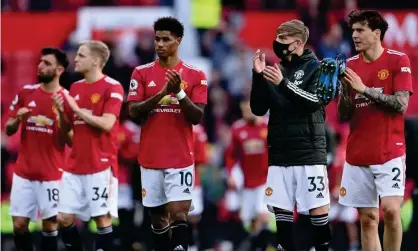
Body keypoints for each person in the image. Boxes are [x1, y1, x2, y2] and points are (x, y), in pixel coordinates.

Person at [127, 17, 208, 251]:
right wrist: (162, 93)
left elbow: (197, 117)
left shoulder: (195, 75)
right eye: (157, 39)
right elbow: (133, 111)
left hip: (181, 157)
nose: (159, 44)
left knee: (178, 212)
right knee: (158, 217)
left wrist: (180, 95)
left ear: (178, 41)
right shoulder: (140, 73)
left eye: (166, 39)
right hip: (150, 157)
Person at [250, 19, 331, 251]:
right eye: (276, 37)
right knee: (281, 211)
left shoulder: (318, 67)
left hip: (308, 154)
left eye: (282, 39)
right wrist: (257, 76)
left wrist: (283, 84)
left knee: (317, 209)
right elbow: (258, 109)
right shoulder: (277, 70)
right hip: (280, 153)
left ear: (297, 42)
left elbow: (314, 103)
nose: (277, 43)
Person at [338, 10, 413, 251]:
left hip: (389, 151)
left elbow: (401, 105)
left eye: (360, 30)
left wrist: (364, 89)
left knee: (391, 211)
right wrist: (343, 91)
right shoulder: (349, 66)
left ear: (376, 33)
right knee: (368, 220)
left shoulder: (398, 60)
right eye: (353, 31)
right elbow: (344, 113)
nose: (354, 35)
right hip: (358, 153)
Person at [52, 40, 124, 251]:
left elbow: (107, 123)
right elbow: (70, 136)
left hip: (100, 164)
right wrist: (62, 116)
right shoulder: (75, 87)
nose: (75, 59)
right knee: (63, 218)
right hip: (74, 164)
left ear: (95, 61)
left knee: (101, 218)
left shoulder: (112, 87)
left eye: (81, 55)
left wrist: (75, 108)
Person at [5, 47, 69, 251]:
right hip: (23, 173)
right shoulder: (26, 92)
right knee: (19, 224)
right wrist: (17, 120)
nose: (40, 66)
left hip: (52, 174)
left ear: (59, 70)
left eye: (47, 63)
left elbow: (72, 140)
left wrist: (61, 118)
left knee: (49, 224)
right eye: (40, 61)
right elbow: (8, 129)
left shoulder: (67, 100)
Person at [224, 100, 271, 250]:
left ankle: (259, 244)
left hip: (265, 180)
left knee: (263, 214)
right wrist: (231, 173)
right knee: (247, 219)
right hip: (246, 182)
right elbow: (231, 155)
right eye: (243, 111)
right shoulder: (238, 129)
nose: (246, 113)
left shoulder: (267, 127)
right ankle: (255, 243)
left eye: (248, 110)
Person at [188, 123, 209, 250]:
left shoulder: (198, 131)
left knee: (193, 215)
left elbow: (202, 158)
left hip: (192, 179)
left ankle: (193, 244)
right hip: (170, 178)